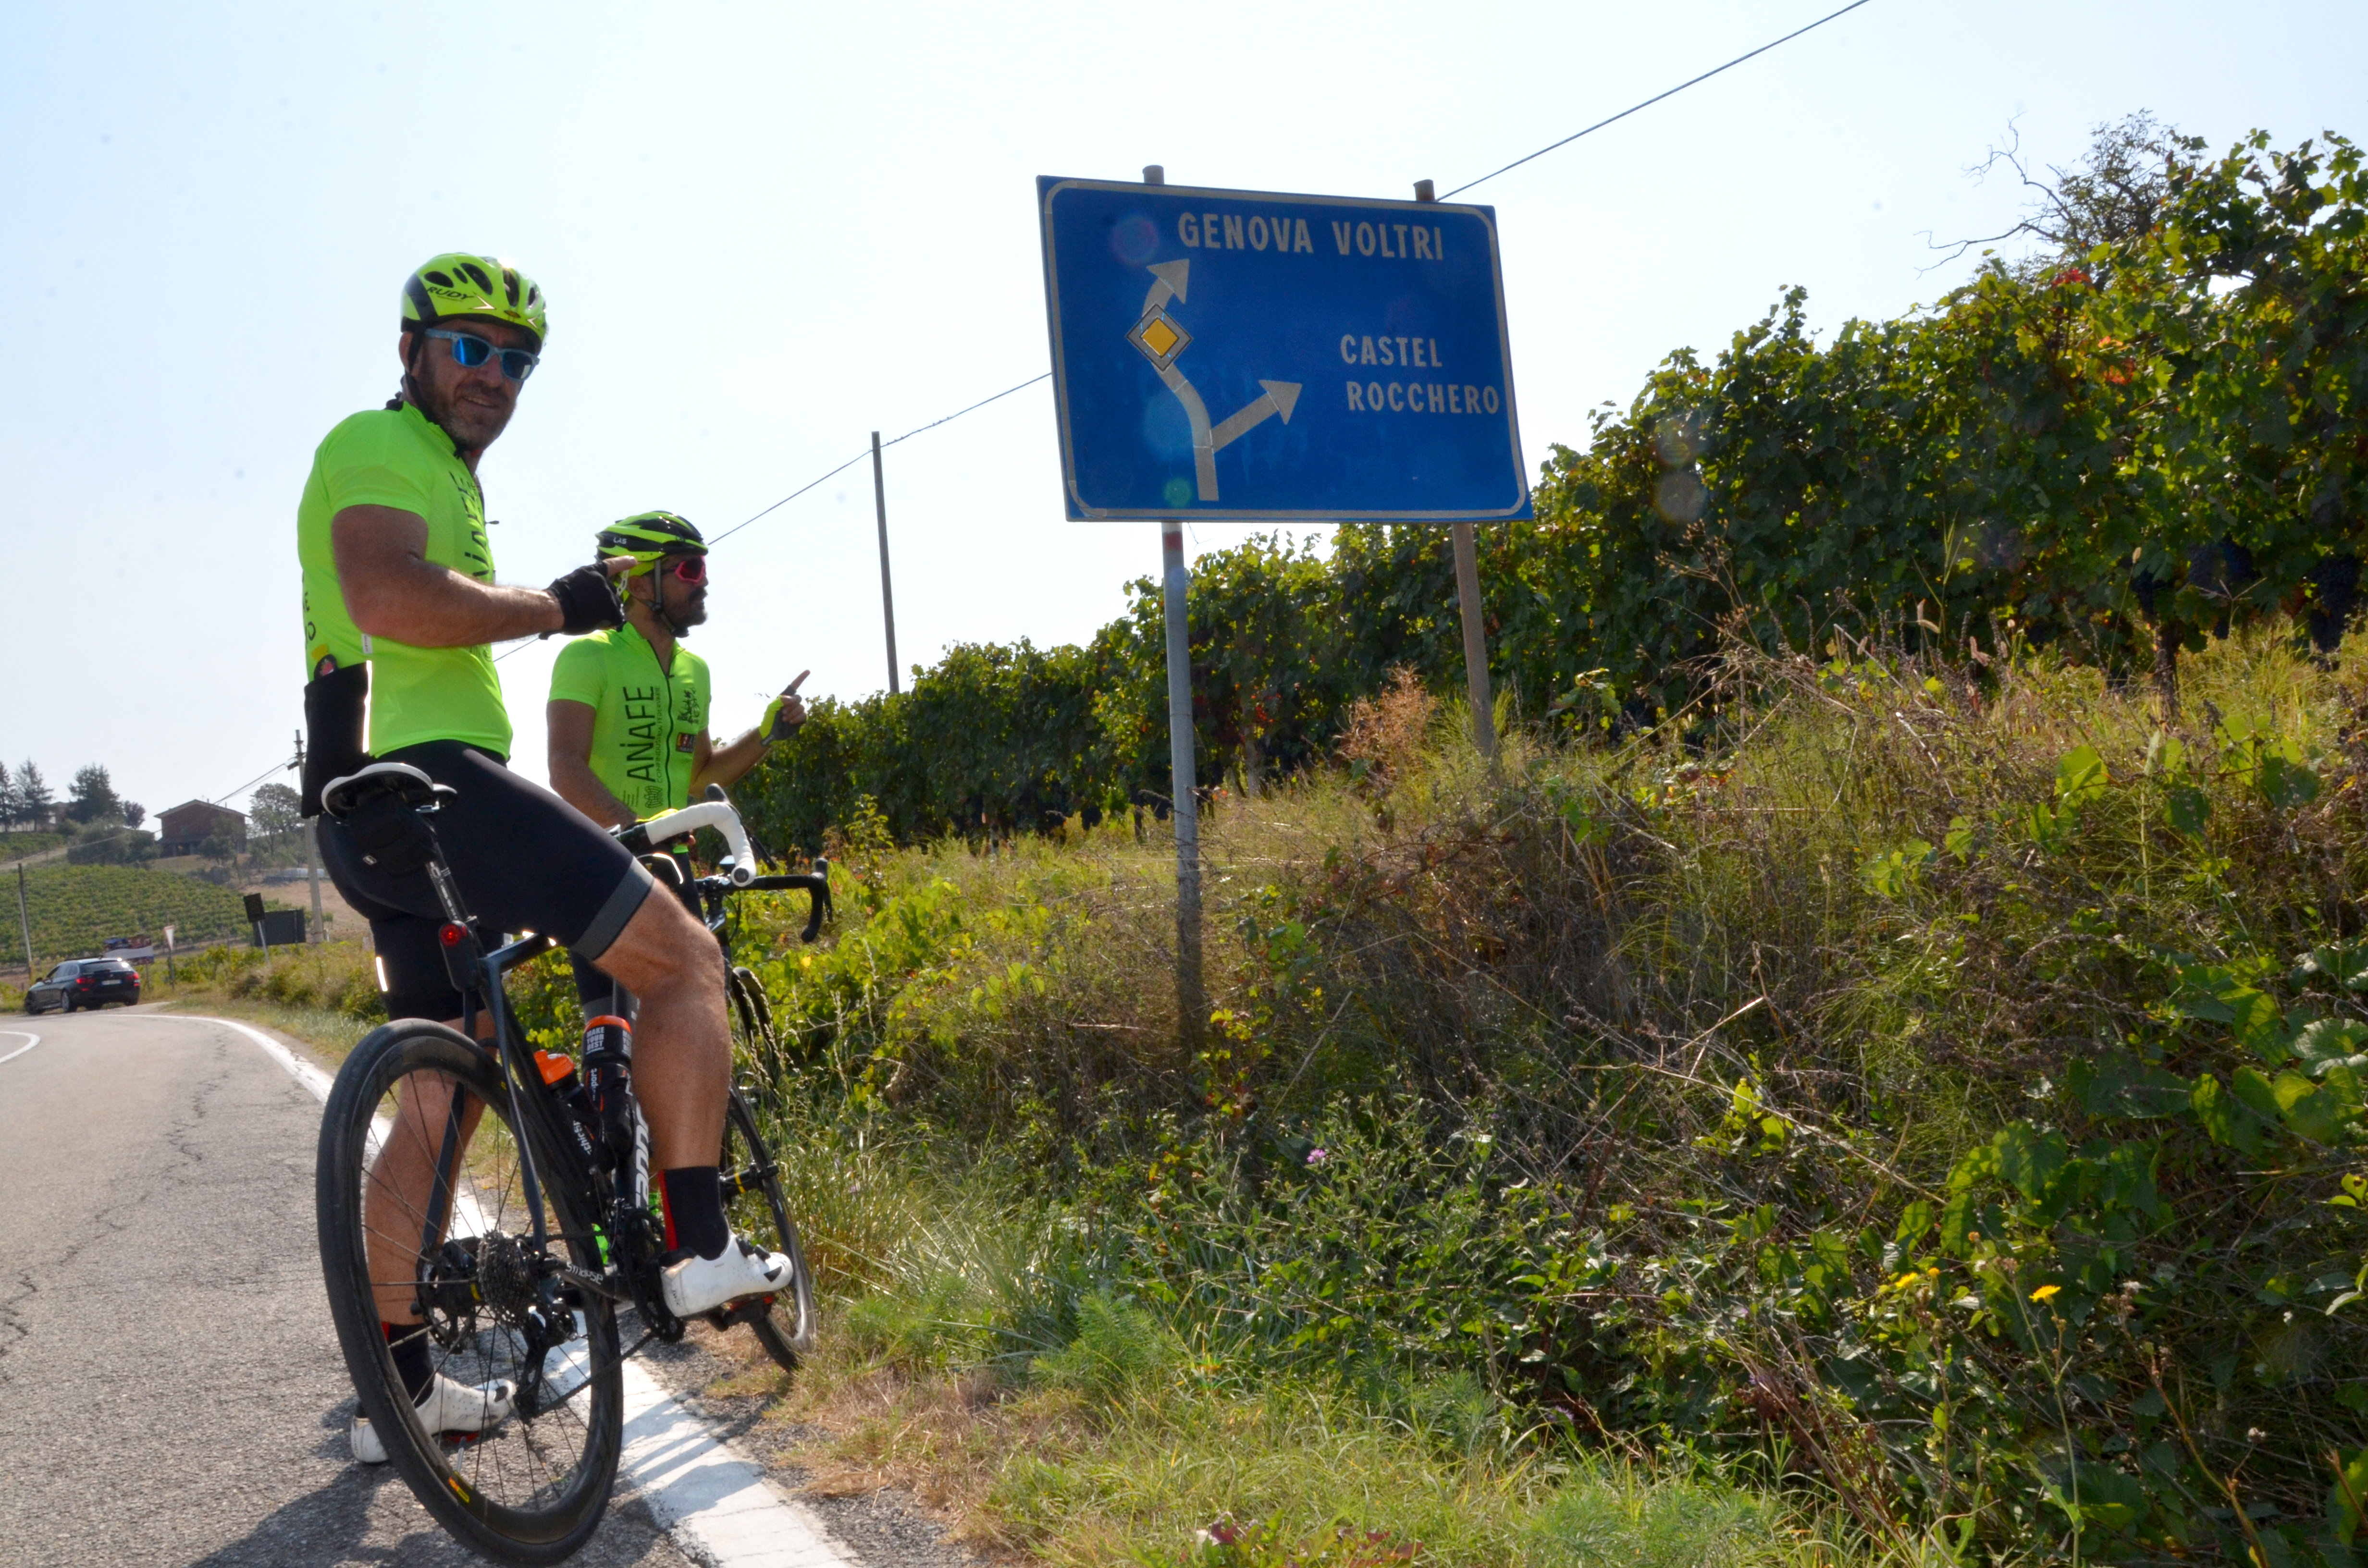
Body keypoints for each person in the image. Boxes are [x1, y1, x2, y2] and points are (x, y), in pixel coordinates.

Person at [297, 253, 792, 1463]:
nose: (496, 376)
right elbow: (387, 596)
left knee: (436, 1098)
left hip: (358, 814)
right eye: (471, 348)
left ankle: (405, 1390)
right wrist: (553, 607)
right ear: (414, 350)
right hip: (437, 782)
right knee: (682, 962)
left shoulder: (442, 475)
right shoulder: (380, 445)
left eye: (519, 360)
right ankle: (696, 1248)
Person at [545, 510, 808, 1020]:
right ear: (641, 580)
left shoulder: (695, 672)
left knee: (693, 1019)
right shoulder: (587, 657)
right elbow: (564, 766)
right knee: (615, 1024)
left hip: (670, 864)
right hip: (603, 860)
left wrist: (767, 734)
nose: (703, 581)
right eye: (688, 569)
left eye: (703, 567)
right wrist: (632, 827)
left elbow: (701, 774)